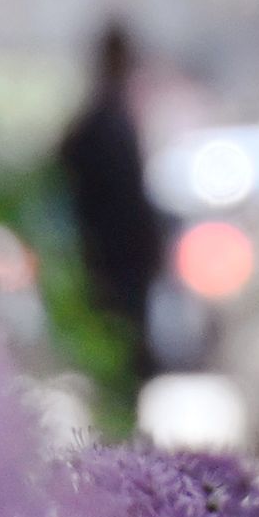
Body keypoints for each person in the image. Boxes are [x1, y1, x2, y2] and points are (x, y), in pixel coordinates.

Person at [53, 22, 171, 417]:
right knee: (119, 369)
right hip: (114, 264)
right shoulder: (104, 120)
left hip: (114, 261)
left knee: (122, 369)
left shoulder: (102, 116)